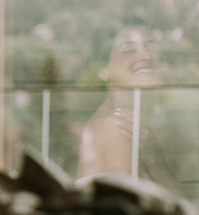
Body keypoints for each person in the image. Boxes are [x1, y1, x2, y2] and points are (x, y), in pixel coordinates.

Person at [77, 17, 181, 192]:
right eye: (129, 50)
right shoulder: (118, 125)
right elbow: (138, 210)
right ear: (104, 67)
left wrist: (152, 157)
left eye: (151, 47)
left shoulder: (133, 123)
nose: (146, 56)